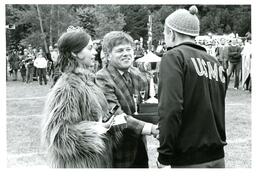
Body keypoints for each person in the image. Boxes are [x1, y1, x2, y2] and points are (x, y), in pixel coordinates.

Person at [156, 6, 227, 168]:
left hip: (188, 159)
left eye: (165, 33)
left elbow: (170, 108)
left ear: (171, 33)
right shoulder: (215, 62)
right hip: (217, 157)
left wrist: (164, 155)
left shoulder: (173, 56)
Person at [41, 27, 123, 168]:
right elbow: (58, 134)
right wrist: (95, 130)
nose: (95, 52)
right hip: (80, 164)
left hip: (98, 161)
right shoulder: (68, 87)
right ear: (75, 53)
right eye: (90, 48)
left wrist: (111, 122)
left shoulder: (89, 80)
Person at [96, 31, 159, 168]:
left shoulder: (140, 75)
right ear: (107, 55)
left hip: (140, 149)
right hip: (117, 153)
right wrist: (152, 128)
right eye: (119, 50)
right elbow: (115, 117)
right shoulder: (101, 79)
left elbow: (151, 104)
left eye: (128, 49)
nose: (126, 53)